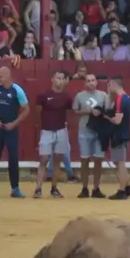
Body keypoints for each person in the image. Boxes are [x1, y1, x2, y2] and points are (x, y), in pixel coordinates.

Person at [0, 65, 29, 198]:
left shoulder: (17, 90)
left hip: (11, 128)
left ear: (8, 76)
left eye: (0, 77)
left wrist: (14, 123)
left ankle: (15, 188)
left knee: (13, 157)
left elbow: (26, 109)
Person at [33, 70, 74, 199]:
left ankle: (54, 188)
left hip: (61, 130)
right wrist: (41, 127)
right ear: (52, 79)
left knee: (57, 160)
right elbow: (38, 113)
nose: (59, 80)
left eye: (62, 78)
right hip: (47, 131)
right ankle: (38, 188)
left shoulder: (67, 97)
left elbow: (69, 113)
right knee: (44, 159)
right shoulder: (43, 96)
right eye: (57, 78)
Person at [93, 77, 130, 200]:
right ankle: (128, 187)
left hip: (119, 134)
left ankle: (122, 191)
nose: (108, 88)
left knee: (120, 163)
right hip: (124, 133)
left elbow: (117, 121)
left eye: (110, 85)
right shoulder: (127, 98)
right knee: (119, 162)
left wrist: (106, 117)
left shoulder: (120, 99)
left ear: (115, 84)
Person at [73, 72, 109, 198]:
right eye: (88, 81)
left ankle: (96, 188)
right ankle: (84, 188)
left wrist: (100, 112)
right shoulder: (79, 96)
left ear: (96, 82)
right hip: (84, 131)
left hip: (99, 132)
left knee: (98, 160)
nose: (91, 83)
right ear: (85, 83)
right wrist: (89, 111)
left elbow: (108, 111)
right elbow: (75, 111)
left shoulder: (103, 95)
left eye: (93, 80)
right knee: (85, 160)